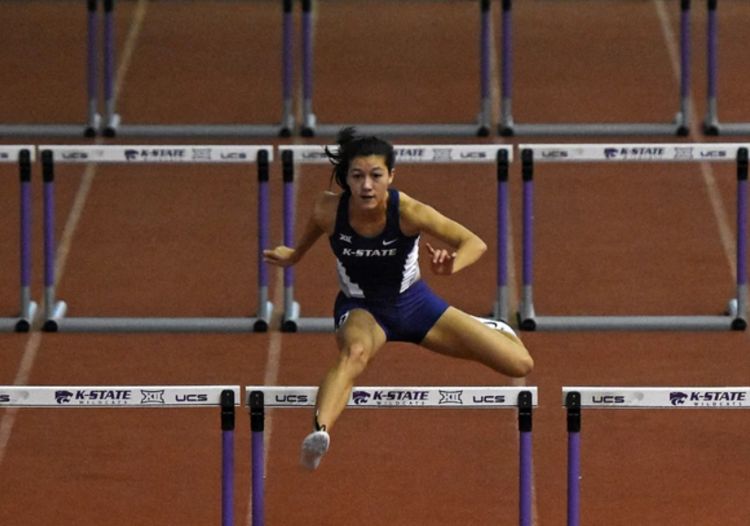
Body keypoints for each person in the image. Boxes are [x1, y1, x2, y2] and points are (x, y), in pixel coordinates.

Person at [263, 127, 533, 470]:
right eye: (357, 176)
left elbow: (474, 243)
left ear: (391, 176)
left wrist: (452, 266)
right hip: (362, 309)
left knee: (519, 364)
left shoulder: (408, 211)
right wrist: (294, 255)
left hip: (415, 305)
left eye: (376, 176)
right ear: (346, 177)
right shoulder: (327, 209)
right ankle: (320, 433)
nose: (366, 185)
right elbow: (309, 237)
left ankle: (487, 327)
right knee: (354, 353)